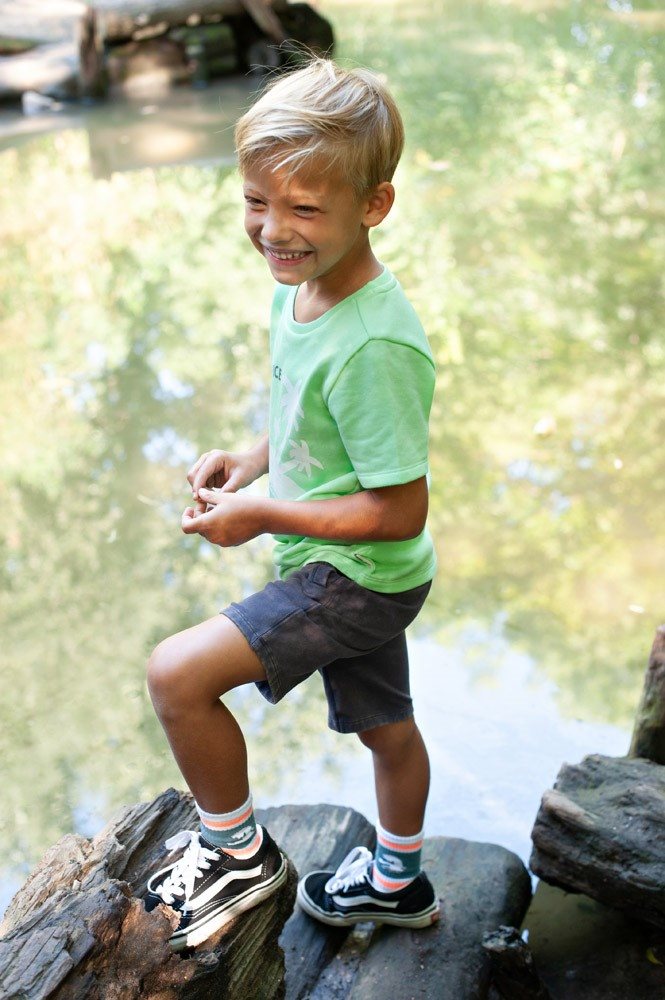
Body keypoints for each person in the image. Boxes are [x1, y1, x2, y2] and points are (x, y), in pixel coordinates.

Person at [144, 57, 439, 951]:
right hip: (368, 570)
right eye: (255, 202)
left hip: (355, 575)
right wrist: (252, 459)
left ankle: (236, 854)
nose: (273, 230)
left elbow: (398, 510)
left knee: (177, 676)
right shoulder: (304, 289)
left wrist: (263, 514)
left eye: (304, 208)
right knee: (387, 729)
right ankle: (398, 880)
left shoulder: (376, 345)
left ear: (374, 205)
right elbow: (306, 413)